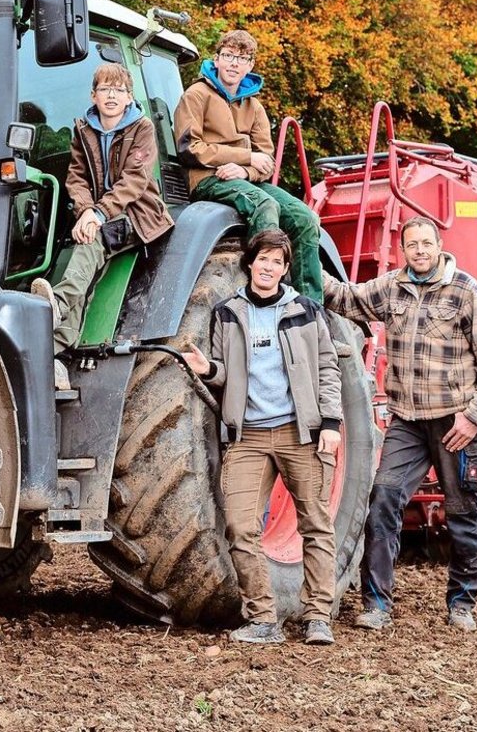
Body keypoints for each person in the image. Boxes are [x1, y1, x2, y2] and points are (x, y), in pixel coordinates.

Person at [324, 216, 477, 632]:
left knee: (463, 512)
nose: (420, 251)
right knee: (382, 502)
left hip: (455, 422)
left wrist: (474, 418)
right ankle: (377, 605)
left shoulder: (466, 290)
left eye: (427, 243)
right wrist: (301, 254)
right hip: (407, 421)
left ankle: (462, 603)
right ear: (402, 249)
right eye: (412, 245)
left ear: (439, 245)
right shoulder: (392, 287)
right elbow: (345, 297)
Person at [184, 229, 343, 646]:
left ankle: (317, 617)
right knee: (240, 528)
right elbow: (227, 372)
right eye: (263, 259)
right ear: (250, 263)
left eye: (277, 261)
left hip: (299, 433)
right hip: (249, 436)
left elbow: (328, 368)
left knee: (316, 525)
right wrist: (207, 369)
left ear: (285, 268)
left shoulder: (306, 311)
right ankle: (263, 620)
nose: (269, 267)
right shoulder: (227, 313)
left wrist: (331, 424)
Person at [32, 62, 173, 386]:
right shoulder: (84, 129)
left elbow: (134, 181)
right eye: (105, 89)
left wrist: (97, 215)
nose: (112, 95)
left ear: (129, 97)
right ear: (93, 95)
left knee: (91, 240)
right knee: (81, 254)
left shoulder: (142, 128)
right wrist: (85, 211)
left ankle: (58, 305)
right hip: (98, 214)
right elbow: (76, 177)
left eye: (119, 90)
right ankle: (55, 354)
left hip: (138, 214)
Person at [173, 29, 323, 302]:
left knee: (305, 218)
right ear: (217, 59)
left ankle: (310, 306)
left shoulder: (254, 107)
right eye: (228, 55)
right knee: (264, 205)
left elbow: (266, 160)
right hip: (208, 178)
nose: (234, 63)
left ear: (250, 65)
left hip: (245, 179)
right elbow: (189, 149)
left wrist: (245, 170)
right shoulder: (196, 95)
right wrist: (244, 158)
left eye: (242, 58)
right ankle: (262, 294)